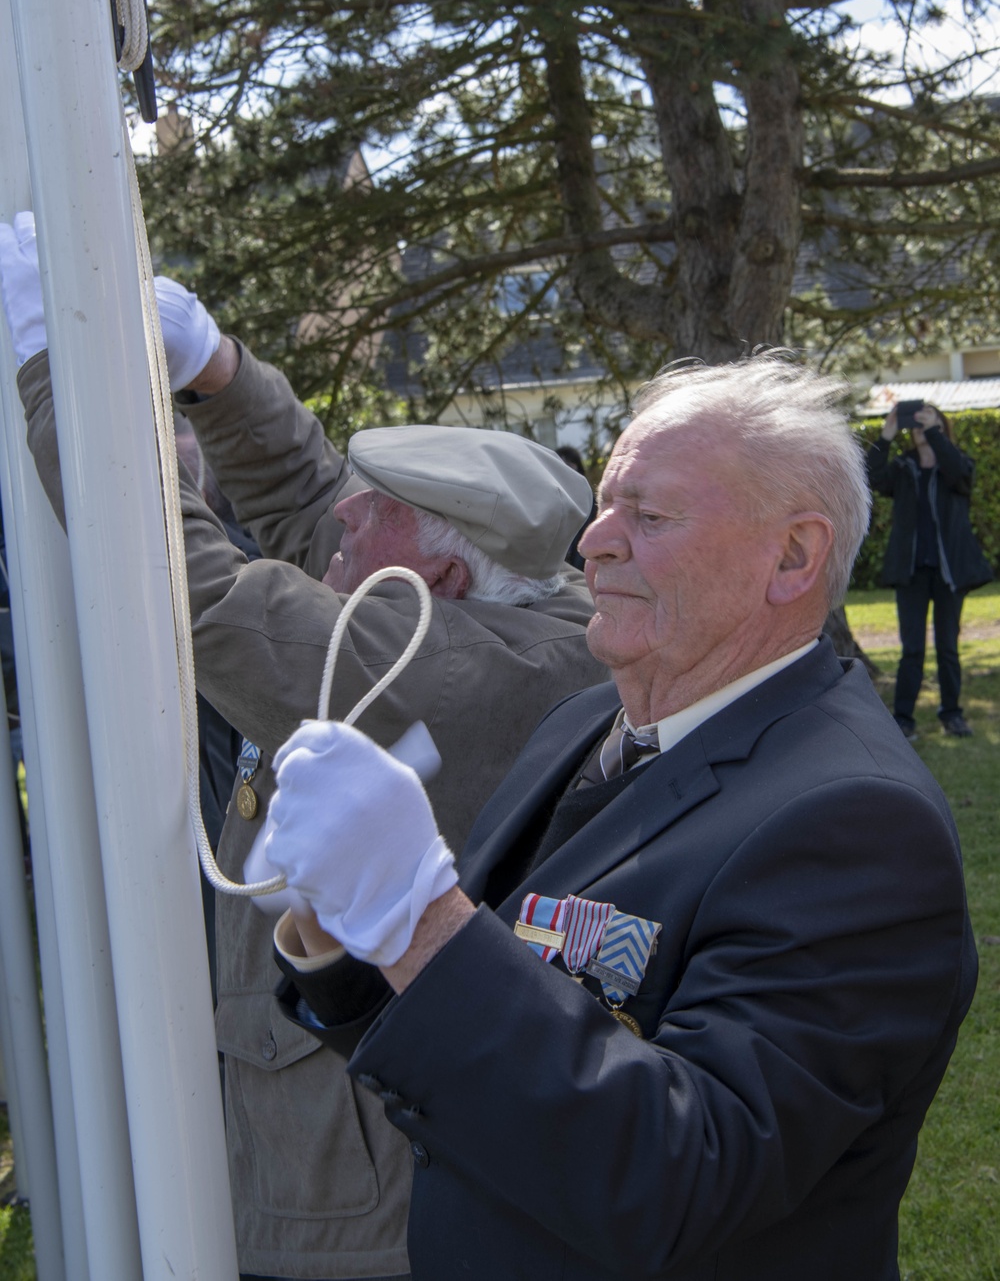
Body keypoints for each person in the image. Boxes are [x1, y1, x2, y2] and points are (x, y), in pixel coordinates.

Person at [264, 354, 978, 1281]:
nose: (594, 542)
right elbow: (470, 1049)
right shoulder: (587, 723)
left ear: (793, 556)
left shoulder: (858, 824)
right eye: (605, 507)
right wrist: (344, 927)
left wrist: (419, 919)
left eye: (650, 515)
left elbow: (680, 1176)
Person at [0, 211, 610, 1281]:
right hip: (334, 1159)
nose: (339, 524)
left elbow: (195, 596)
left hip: (353, 1212)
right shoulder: (494, 609)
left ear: (440, 581)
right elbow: (304, 493)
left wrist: (58, 364)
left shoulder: (461, 666)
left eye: (370, 516)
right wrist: (217, 369)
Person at [867, 402, 993, 740]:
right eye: (917, 422)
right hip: (911, 573)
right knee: (912, 648)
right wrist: (887, 434)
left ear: (941, 426)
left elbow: (960, 475)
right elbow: (870, 476)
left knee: (948, 646)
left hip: (948, 571)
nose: (921, 426)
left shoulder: (956, 465)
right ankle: (904, 720)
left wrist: (935, 433)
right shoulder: (903, 467)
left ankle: (952, 714)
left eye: (929, 419)